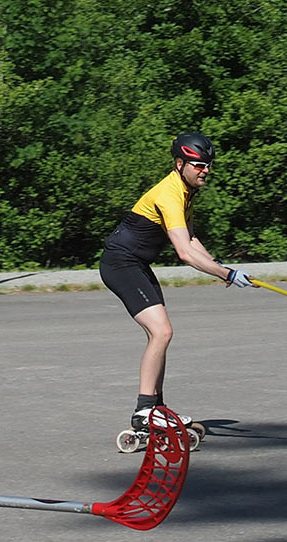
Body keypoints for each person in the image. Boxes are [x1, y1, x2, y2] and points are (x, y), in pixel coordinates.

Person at [99, 133, 257, 441]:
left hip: (137, 265)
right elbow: (184, 254)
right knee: (162, 331)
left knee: (160, 335)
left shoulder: (186, 192)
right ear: (180, 163)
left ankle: (155, 407)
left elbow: (192, 240)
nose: (205, 171)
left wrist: (222, 268)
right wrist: (225, 275)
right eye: (198, 165)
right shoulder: (169, 194)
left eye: (208, 165)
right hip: (120, 264)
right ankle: (145, 411)